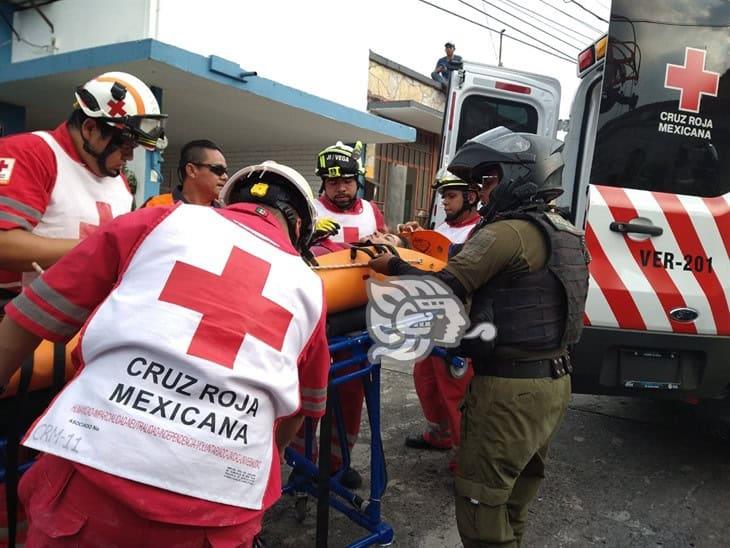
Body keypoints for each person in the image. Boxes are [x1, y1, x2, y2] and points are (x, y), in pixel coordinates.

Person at [0, 160, 331, 546]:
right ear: (298, 229)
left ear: (226, 203)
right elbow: (303, 409)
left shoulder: (159, 221)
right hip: (216, 517)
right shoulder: (309, 286)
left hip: (90, 484)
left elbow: (30, 316)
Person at [369, 127, 590, 547]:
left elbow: (443, 287)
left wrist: (393, 266)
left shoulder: (505, 233)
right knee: (514, 502)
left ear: (518, 176)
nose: (482, 192)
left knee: (480, 504)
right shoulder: (566, 231)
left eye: (489, 181)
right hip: (555, 382)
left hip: (510, 390)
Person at [0, 71, 166, 311]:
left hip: (83, 324)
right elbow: (4, 243)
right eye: (125, 144)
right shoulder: (31, 153)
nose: (130, 156)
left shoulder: (119, 181)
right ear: (90, 128)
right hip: (16, 322)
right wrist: (102, 246)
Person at [403, 169, 479, 462]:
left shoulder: (479, 233)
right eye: (443, 196)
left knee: (455, 392)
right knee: (427, 383)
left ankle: (465, 461)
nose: (445, 202)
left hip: (454, 325)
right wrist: (412, 242)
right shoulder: (442, 228)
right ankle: (440, 435)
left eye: (451, 196)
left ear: (470, 197)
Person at [314, 141, 386, 244]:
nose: (341, 188)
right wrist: (309, 231)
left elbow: (388, 246)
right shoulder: (310, 210)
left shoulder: (371, 210)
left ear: (357, 182)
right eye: (333, 182)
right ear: (323, 185)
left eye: (347, 181)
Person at [143, 139, 228, 208]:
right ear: (191, 170)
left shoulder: (225, 213)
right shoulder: (156, 207)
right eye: (218, 169)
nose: (225, 177)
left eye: (225, 171)